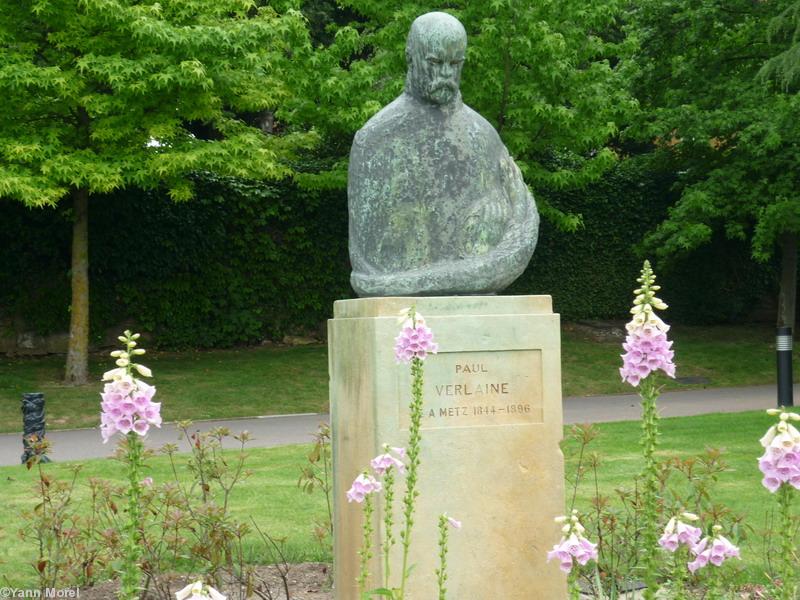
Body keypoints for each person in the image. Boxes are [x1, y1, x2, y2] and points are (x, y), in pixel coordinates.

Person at [348, 11, 539, 297]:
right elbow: (369, 266)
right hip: (399, 304)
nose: (446, 75)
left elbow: (511, 219)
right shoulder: (376, 138)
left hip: (478, 299)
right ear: (411, 57)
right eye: (435, 63)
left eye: (455, 64)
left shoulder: (484, 136)